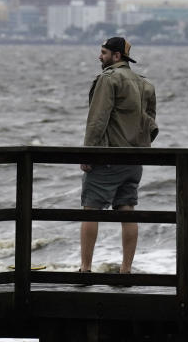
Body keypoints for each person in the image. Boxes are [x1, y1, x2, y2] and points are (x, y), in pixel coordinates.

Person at [79, 36, 157, 275]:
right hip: (134, 160)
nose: (99, 57)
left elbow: (97, 120)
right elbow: (151, 123)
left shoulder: (108, 79)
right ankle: (126, 270)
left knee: (90, 209)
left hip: (109, 158)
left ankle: (85, 269)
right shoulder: (145, 84)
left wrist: (88, 154)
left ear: (116, 57)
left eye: (103, 53)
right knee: (127, 210)